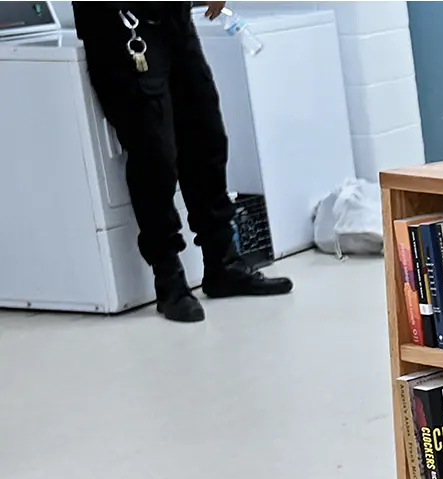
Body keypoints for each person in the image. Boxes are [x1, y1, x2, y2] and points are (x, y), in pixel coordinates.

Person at [72, 2, 292, 323]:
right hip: (120, 25)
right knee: (154, 154)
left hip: (173, 20)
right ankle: (169, 280)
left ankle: (223, 264)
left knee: (207, 139)